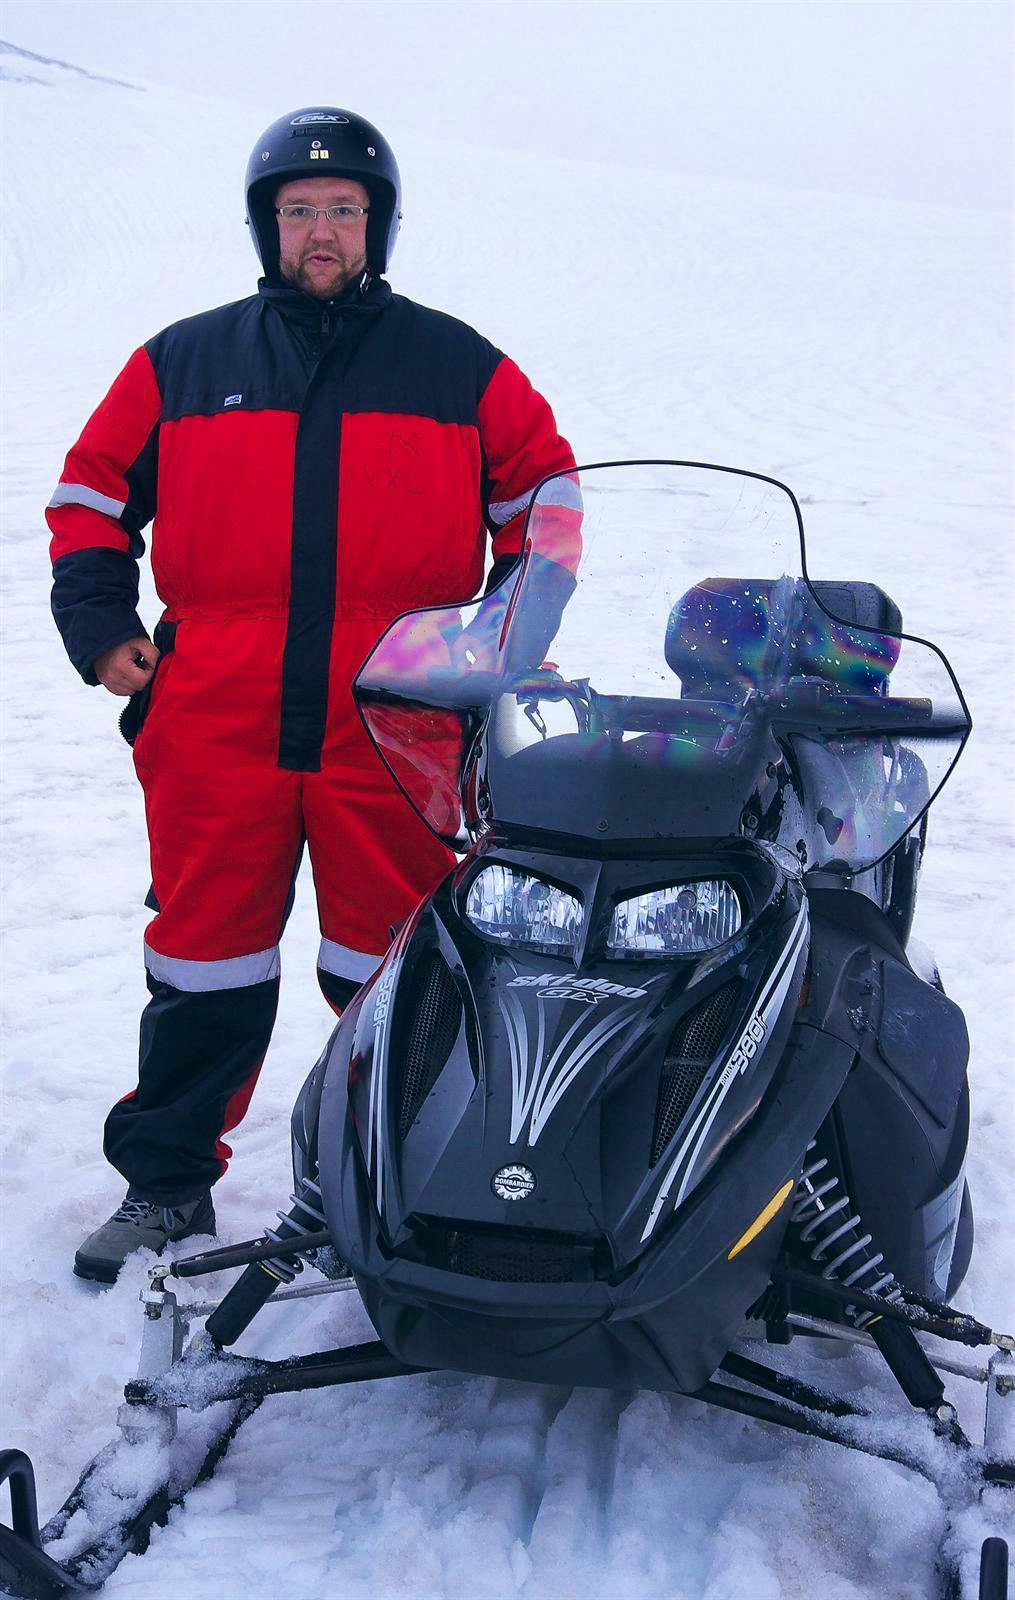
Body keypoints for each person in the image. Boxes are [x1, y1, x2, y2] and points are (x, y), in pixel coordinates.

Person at [48, 106, 574, 1282]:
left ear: (376, 224)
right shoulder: (182, 361)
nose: (321, 231)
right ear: (266, 225)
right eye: (298, 212)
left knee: (392, 962)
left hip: (393, 711)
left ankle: (412, 1181)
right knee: (202, 959)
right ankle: (169, 1187)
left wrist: (492, 648)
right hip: (215, 708)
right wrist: (100, 630)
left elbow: (544, 503)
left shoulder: (455, 362)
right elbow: (87, 499)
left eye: (342, 210)